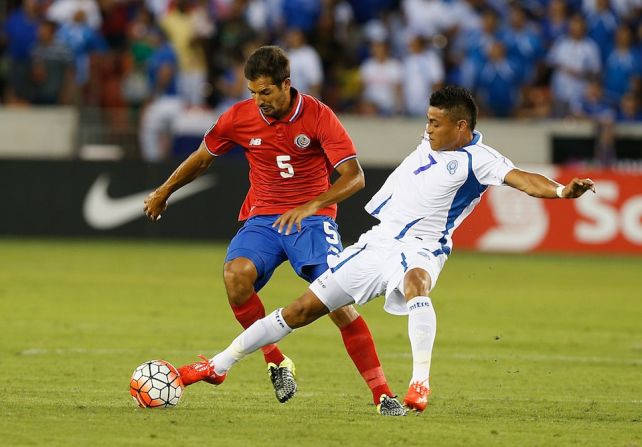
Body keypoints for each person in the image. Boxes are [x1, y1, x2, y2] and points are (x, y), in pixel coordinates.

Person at [177, 86, 596, 415]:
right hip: (377, 244)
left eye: (436, 123)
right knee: (301, 311)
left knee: (417, 285)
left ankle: (419, 384)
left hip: (423, 248)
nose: (428, 129)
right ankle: (218, 366)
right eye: (427, 121)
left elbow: (522, 178)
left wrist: (562, 191)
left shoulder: (478, 158)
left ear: (462, 127)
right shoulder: (433, 141)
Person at [143, 46, 400, 414]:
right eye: (252, 93)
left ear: (286, 85)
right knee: (235, 277)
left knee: (338, 303)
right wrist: (163, 191)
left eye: (265, 92)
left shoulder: (317, 115)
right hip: (263, 218)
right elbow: (202, 158)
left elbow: (354, 177)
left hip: (311, 221)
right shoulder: (238, 117)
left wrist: (312, 205)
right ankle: (276, 360)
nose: (258, 101)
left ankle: (382, 395)